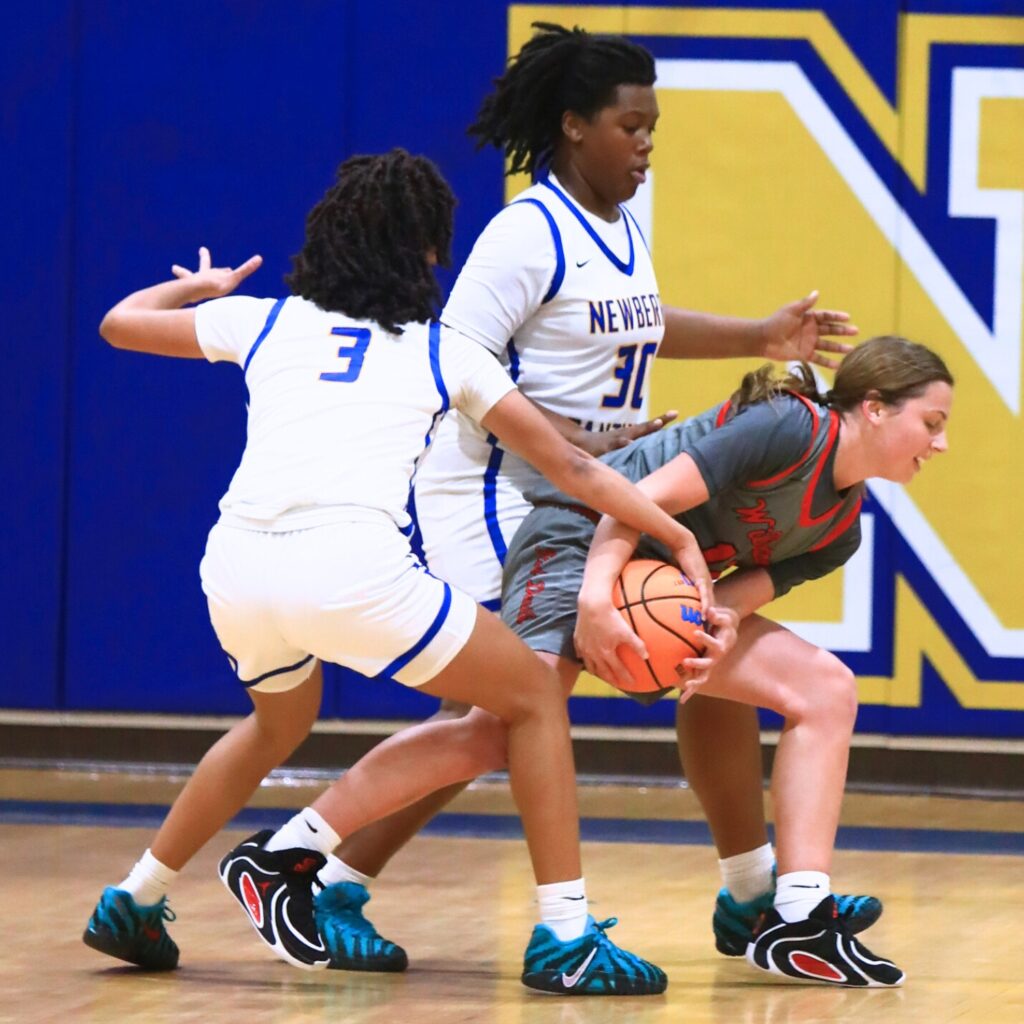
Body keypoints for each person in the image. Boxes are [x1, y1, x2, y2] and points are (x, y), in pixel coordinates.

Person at [81, 148, 716, 997]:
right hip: (349, 568)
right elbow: (574, 470)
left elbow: (118, 323)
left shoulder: (263, 320)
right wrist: (669, 529)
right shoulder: (441, 350)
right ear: (427, 253)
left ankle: (137, 895)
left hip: (235, 568)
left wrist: (204, 291)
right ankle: (565, 932)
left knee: (275, 725)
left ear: (329, 237)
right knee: (531, 696)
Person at [320, 21, 877, 971]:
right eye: (631, 126)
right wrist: (579, 442)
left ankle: (751, 891)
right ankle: (329, 875)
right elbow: (453, 364)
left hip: (583, 492)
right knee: (512, 713)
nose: (647, 144)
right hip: (496, 496)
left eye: (654, 127)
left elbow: (642, 327)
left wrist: (762, 335)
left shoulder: (613, 228)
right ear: (574, 126)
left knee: (691, 640)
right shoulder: (524, 233)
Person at [499, 335, 953, 985]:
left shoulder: (840, 530)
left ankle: (793, 914)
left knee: (823, 689)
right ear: (875, 408)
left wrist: (718, 631)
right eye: (931, 424)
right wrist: (597, 600)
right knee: (497, 730)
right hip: (583, 538)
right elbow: (632, 501)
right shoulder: (790, 427)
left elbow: (731, 601)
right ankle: (316, 863)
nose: (940, 444)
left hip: (656, 578)